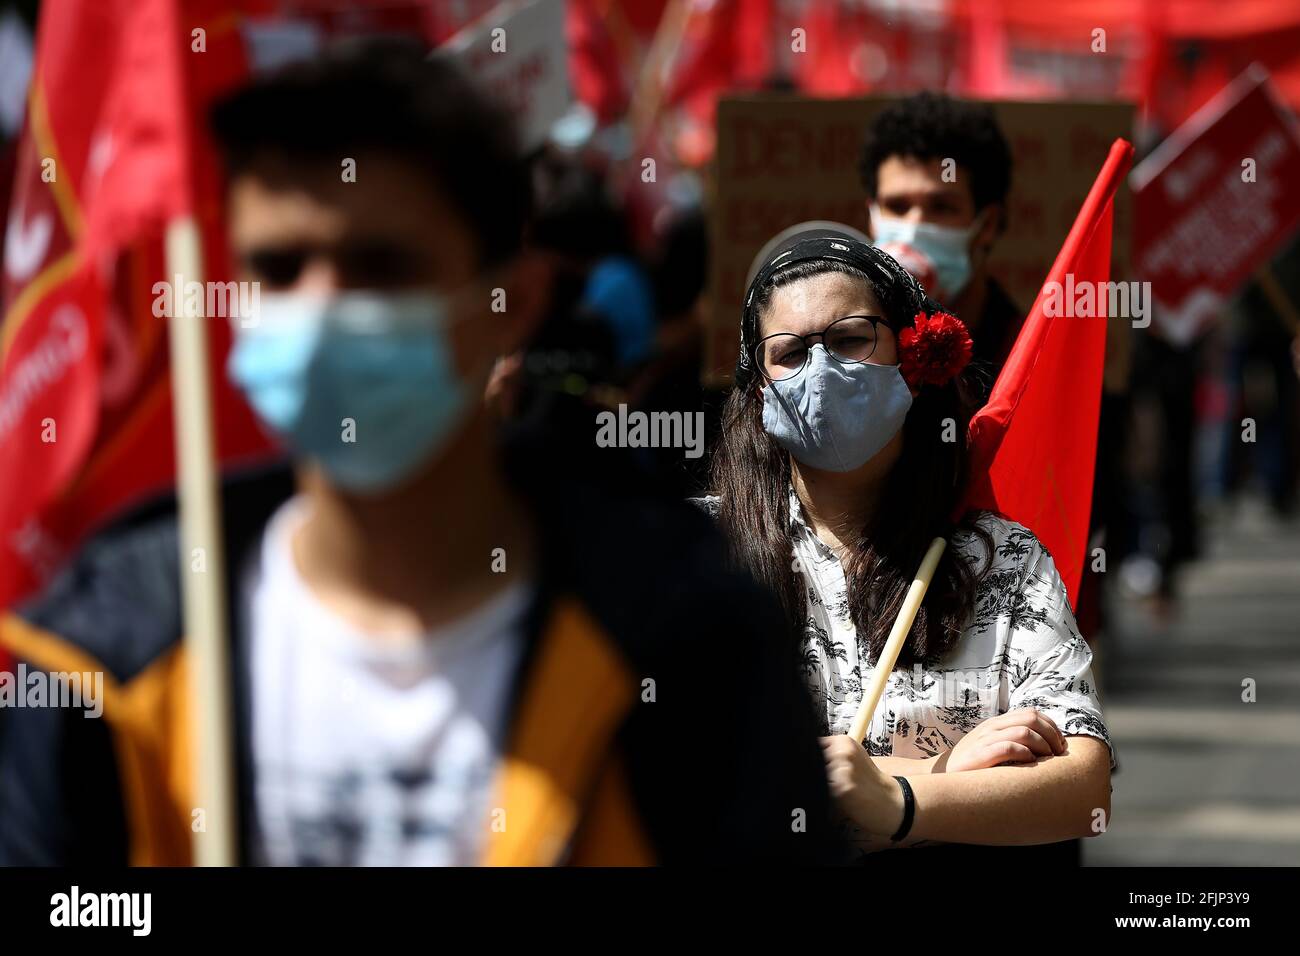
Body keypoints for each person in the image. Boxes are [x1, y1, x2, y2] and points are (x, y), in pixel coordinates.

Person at [0, 40, 837, 866]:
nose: (322, 311)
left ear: (515, 300)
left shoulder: (696, 653)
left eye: (381, 268)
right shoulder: (107, 657)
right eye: (279, 268)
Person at [696, 224, 1114, 861]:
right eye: (789, 353)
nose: (822, 371)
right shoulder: (698, 550)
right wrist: (940, 777)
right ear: (758, 387)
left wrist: (897, 803)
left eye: (850, 340)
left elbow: (1084, 791)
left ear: (913, 360)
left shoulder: (1002, 559)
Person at [859, 92, 1019, 400]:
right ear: (872, 216)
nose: (913, 227)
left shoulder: (1026, 360)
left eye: (942, 207)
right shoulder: (850, 351)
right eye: (897, 206)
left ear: (987, 225)